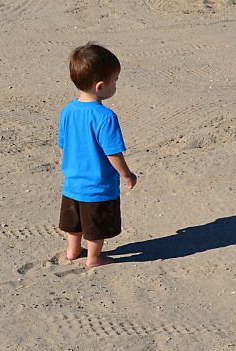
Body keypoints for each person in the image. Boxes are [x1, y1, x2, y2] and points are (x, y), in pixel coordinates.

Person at [58, 42, 137, 269]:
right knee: (95, 226)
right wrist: (127, 174)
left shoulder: (68, 110)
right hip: (97, 185)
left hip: (72, 182)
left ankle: (72, 251)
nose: (116, 86)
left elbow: (63, 145)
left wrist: (70, 165)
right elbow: (112, 152)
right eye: (115, 82)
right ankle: (94, 258)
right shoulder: (105, 116)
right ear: (100, 86)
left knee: (74, 222)